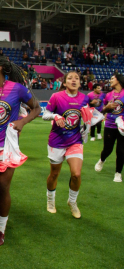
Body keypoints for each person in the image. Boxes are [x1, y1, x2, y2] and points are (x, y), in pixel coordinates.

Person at [0, 56, 41, 246]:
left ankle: (0, 230)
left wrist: (22, 121)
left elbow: (36, 108)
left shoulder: (17, 88)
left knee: (3, 187)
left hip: (7, 145)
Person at [43, 71, 90, 219]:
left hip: (75, 141)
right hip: (57, 140)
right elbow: (45, 115)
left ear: (80, 83)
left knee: (76, 174)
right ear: (64, 82)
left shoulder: (84, 98)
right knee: (54, 173)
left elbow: (87, 117)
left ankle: (72, 202)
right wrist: (55, 116)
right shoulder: (56, 97)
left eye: (77, 78)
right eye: (70, 78)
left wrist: (87, 127)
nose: (74, 80)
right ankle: (50, 201)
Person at [95, 74, 124, 183]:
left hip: (122, 127)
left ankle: (118, 173)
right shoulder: (108, 95)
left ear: (118, 80)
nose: (110, 80)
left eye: (112, 78)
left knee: (121, 151)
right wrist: (107, 108)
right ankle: (102, 160)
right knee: (107, 149)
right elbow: (102, 110)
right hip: (110, 125)